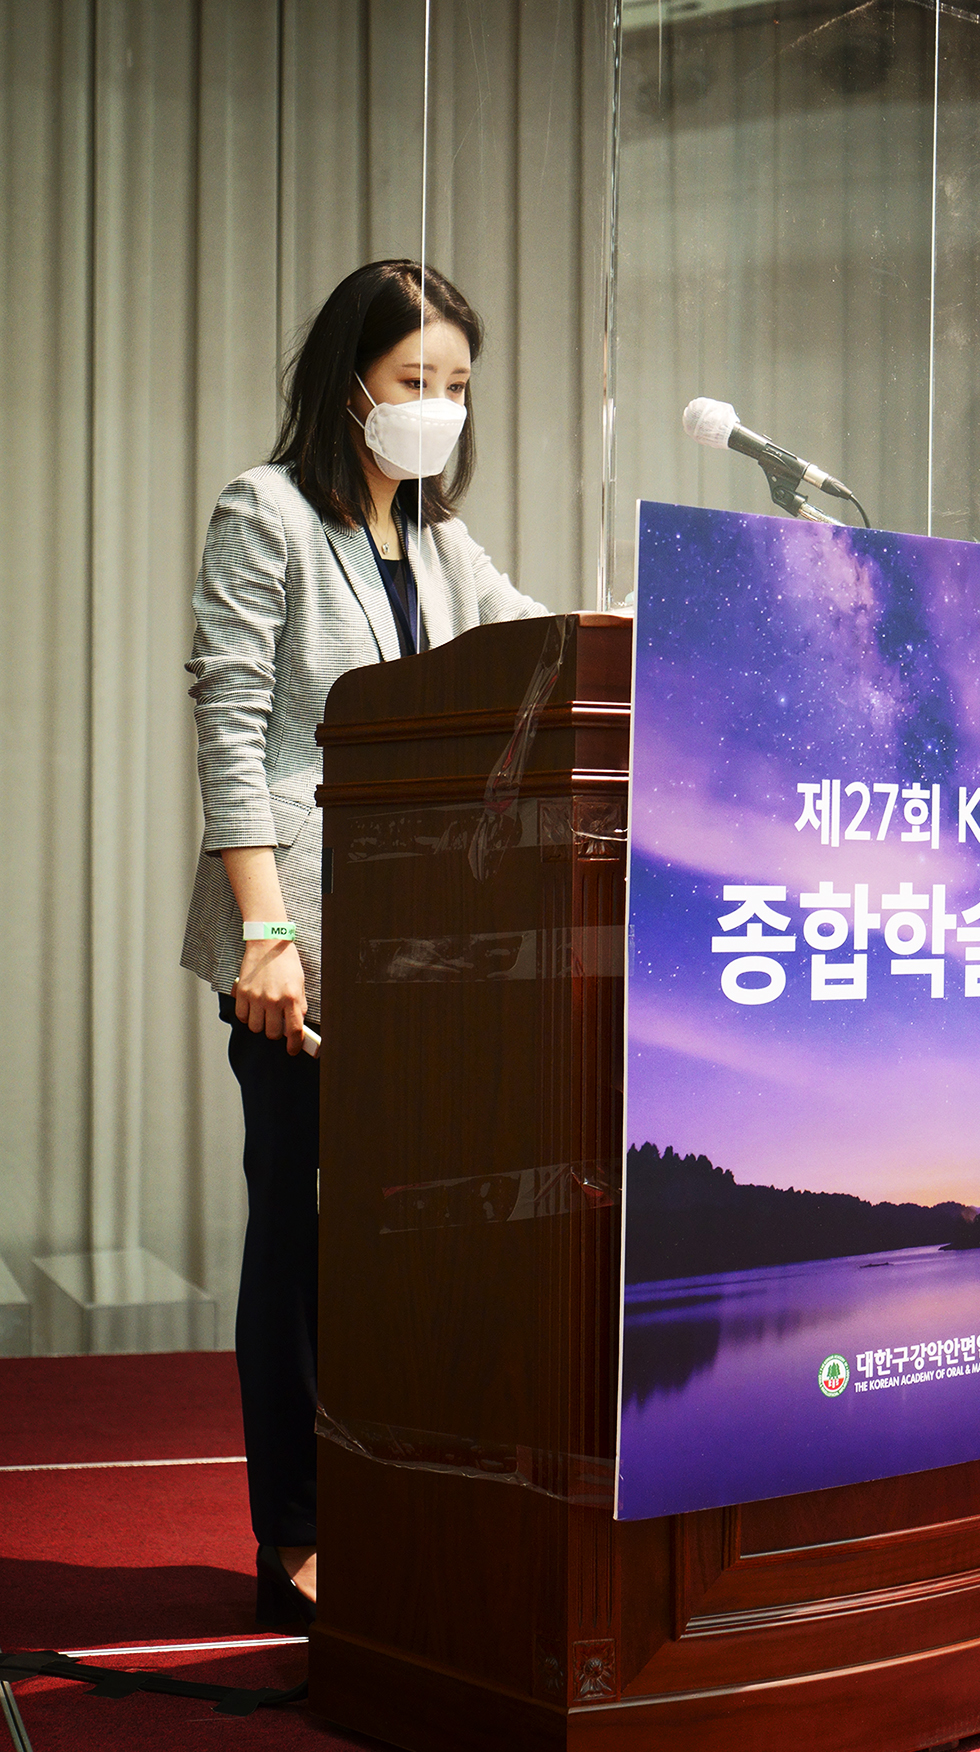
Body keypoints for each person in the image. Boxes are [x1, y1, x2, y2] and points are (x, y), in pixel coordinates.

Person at [179, 260, 548, 1628]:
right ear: (350, 385)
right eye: (414, 381)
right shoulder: (265, 513)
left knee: (405, 1236)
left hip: (421, 936)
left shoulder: (443, 543)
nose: (439, 405)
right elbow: (230, 725)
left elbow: (544, 640)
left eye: (457, 384)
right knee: (300, 1232)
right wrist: (265, 930)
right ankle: (295, 1532)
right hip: (299, 935)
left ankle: (396, 1500)